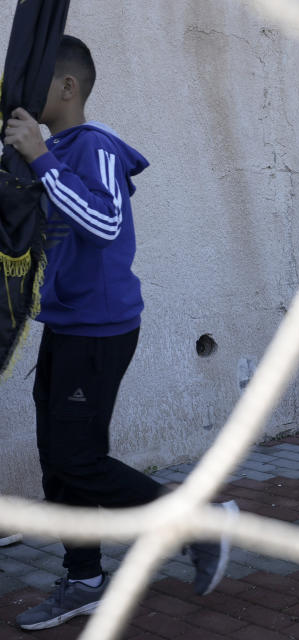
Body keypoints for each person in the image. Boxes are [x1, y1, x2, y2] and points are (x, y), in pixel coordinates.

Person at [3, 35, 235, 631]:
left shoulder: (94, 146)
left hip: (100, 331)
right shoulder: (56, 152)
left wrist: (40, 160)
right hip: (67, 325)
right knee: (58, 459)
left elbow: (105, 221)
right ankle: (83, 579)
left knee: (79, 458)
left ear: (68, 88)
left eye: (35, 87)